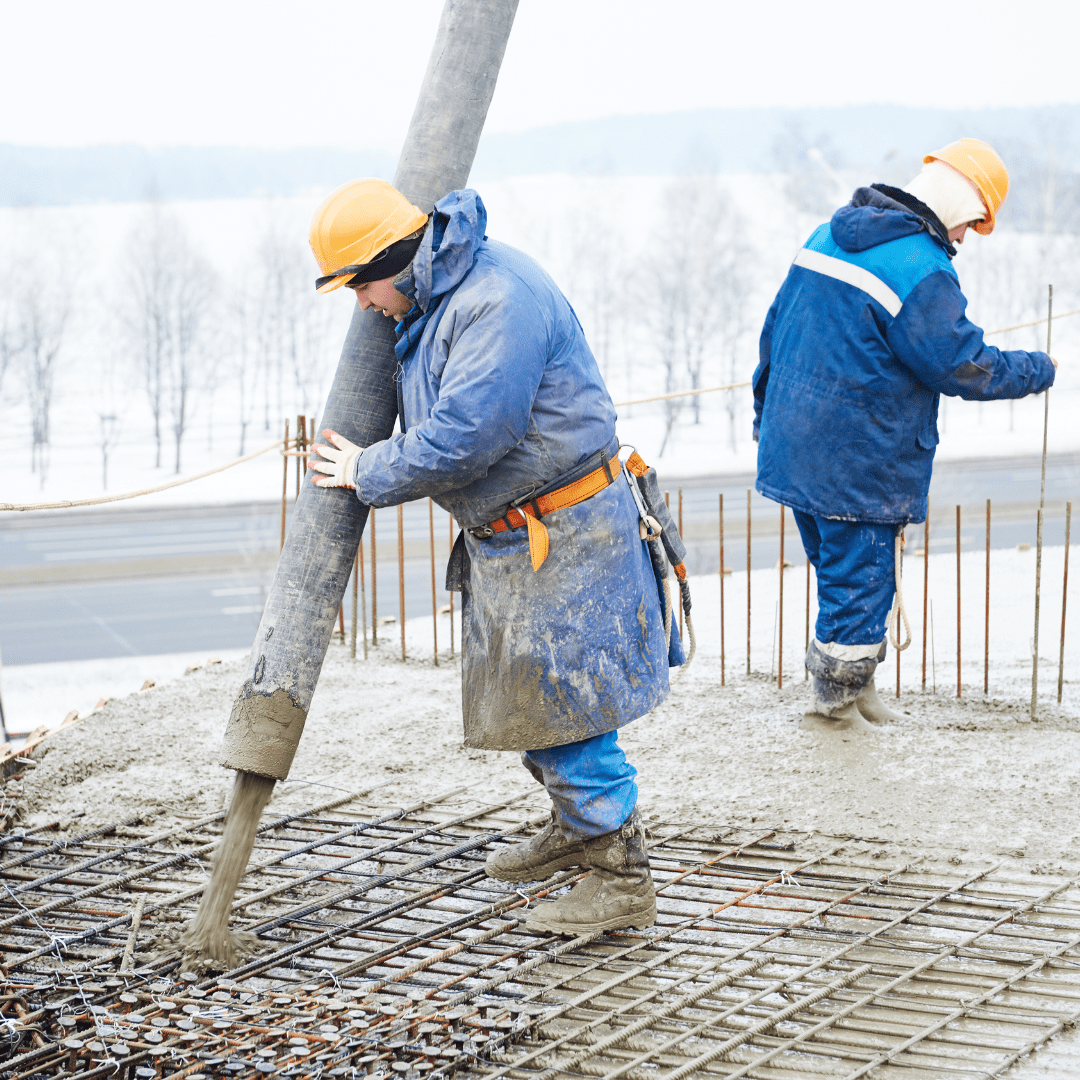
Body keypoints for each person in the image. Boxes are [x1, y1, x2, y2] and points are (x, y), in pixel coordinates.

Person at [305, 178, 682, 933]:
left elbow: (468, 436)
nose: (362, 304)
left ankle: (620, 874)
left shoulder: (493, 301)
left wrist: (366, 469)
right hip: (527, 532)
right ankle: (580, 828)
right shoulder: (446, 293)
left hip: (565, 532)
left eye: (362, 284)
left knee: (571, 716)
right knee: (538, 711)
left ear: (396, 257)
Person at [753, 139, 1057, 732]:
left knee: (844, 577)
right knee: (860, 579)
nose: (967, 238)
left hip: (796, 446)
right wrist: (1037, 369)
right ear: (961, 204)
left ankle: (856, 693)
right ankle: (835, 711)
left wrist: (765, 421)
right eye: (973, 222)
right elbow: (962, 364)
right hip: (857, 458)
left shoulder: (827, 237)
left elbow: (773, 333)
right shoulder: (922, 267)